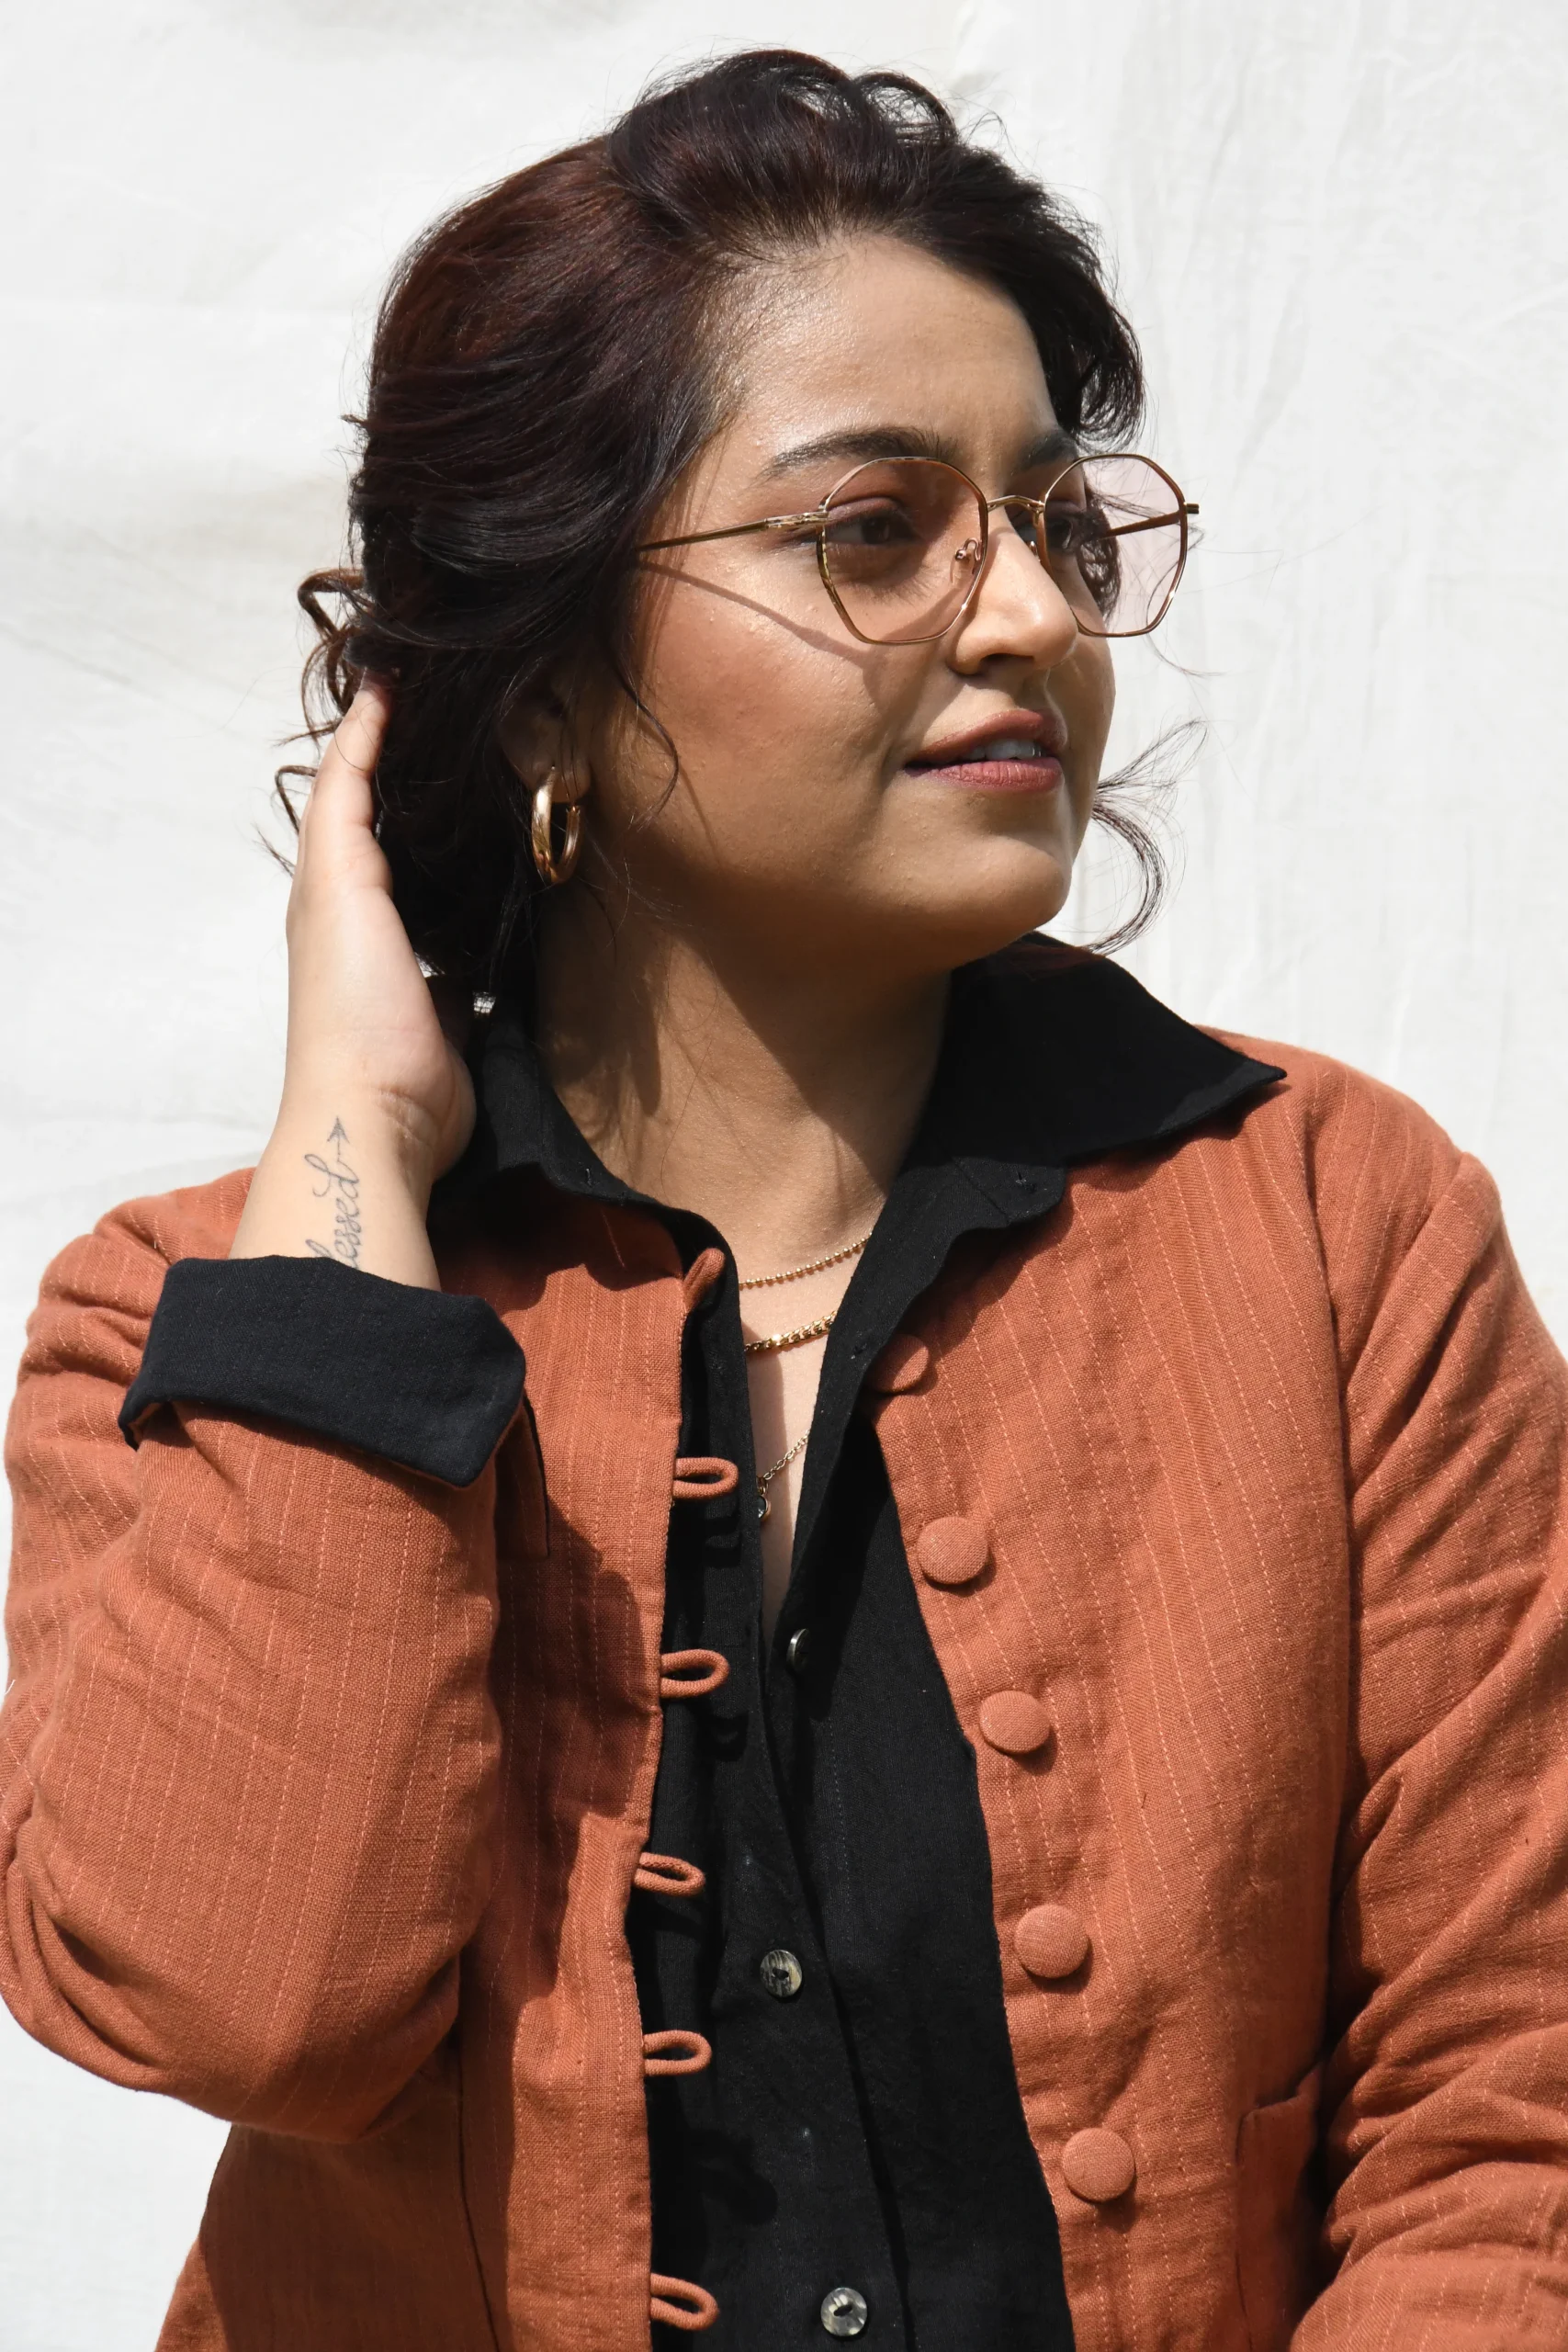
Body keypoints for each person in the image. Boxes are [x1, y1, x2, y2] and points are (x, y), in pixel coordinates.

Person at [4, 47, 1566, 2352]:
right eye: (875, 528)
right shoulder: (181, 1317)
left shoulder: (1332, 1227)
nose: (1027, 614)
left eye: (1054, 523)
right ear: (544, 687)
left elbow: (1505, 2114)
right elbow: (243, 2001)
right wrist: (349, 1145)